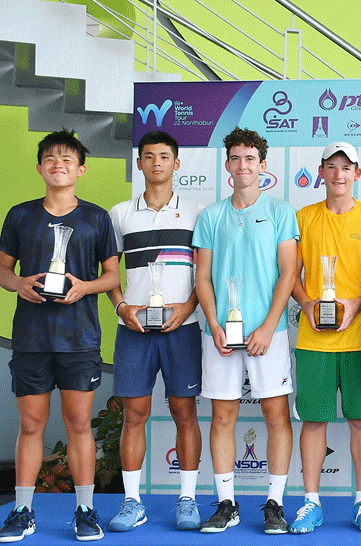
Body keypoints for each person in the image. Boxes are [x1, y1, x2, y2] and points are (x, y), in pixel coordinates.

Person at [0, 129, 119, 542]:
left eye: (67, 159)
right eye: (50, 158)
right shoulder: (20, 215)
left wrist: (85, 287)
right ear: (39, 167)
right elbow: (2, 269)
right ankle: (22, 511)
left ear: (80, 170)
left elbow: (112, 276)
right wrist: (18, 283)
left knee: (79, 423)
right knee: (31, 424)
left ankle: (85, 510)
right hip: (31, 338)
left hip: (80, 338)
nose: (58, 164)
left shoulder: (96, 218)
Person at [193, 127, 298, 534]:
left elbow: (288, 272)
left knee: (276, 415)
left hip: (268, 333)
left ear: (263, 165)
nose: (243, 165)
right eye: (236, 158)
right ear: (227, 165)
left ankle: (275, 504)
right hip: (220, 334)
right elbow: (203, 276)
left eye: (250, 158)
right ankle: (226, 504)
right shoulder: (211, 216)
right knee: (222, 416)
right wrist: (213, 324)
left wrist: (269, 326)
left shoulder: (280, 211)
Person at [290, 142, 361, 534]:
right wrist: (307, 304)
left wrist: (355, 305)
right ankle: (311, 502)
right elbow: (291, 274)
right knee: (314, 421)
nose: (338, 174)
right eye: (331, 167)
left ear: (357, 174)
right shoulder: (304, 217)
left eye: (346, 168)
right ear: (321, 172)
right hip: (313, 340)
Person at [106, 131, 204, 532]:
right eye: (149, 156)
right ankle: (132, 502)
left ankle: (188, 499)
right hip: (134, 329)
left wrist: (189, 306)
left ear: (176, 163)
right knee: (134, 414)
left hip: (183, 327)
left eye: (164, 156)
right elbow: (109, 272)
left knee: (185, 412)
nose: (157, 163)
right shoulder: (119, 214)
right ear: (140, 163)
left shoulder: (197, 213)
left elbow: (206, 273)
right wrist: (122, 307)